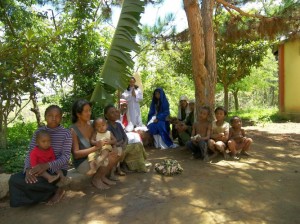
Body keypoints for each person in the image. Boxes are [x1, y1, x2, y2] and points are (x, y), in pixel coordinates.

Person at [9, 105, 72, 207]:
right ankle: (53, 190)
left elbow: (65, 157)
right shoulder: (38, 132)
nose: (54, 118)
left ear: (61, 118)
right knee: (15, 180)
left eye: (57, 116)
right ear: (45, 116)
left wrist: (48, 165)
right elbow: (31, 152)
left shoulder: (66, 134)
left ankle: (58, 189)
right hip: (38, 168)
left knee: (47, 180)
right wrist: (28, 169)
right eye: (50, 115)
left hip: (56, 169)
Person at [71, 99, 119, 190]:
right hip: (82, 161)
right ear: (78, 114)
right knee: (106, 158)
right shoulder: (73, 130)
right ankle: (96, 179)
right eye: (86, 111)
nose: (89, 113)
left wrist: (114, 146)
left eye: (90, 110)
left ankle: (102, 176)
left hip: (98, 153)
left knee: (116, 153)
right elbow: (76, 154)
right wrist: (96, 147)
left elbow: (108, 136)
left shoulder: (93, 123)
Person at [105, 104, 148, 172]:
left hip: (123, 145)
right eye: (112, 112)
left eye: (115, 112)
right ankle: (123, 166)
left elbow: (125, 136)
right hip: (115, 148)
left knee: (138, 144)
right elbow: (110, 142)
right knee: (124, 149)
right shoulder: (106, 127)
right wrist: (120, 144)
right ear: (106, 115)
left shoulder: (118, 124)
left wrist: (124, 143)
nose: (115, 114)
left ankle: (136, 166)